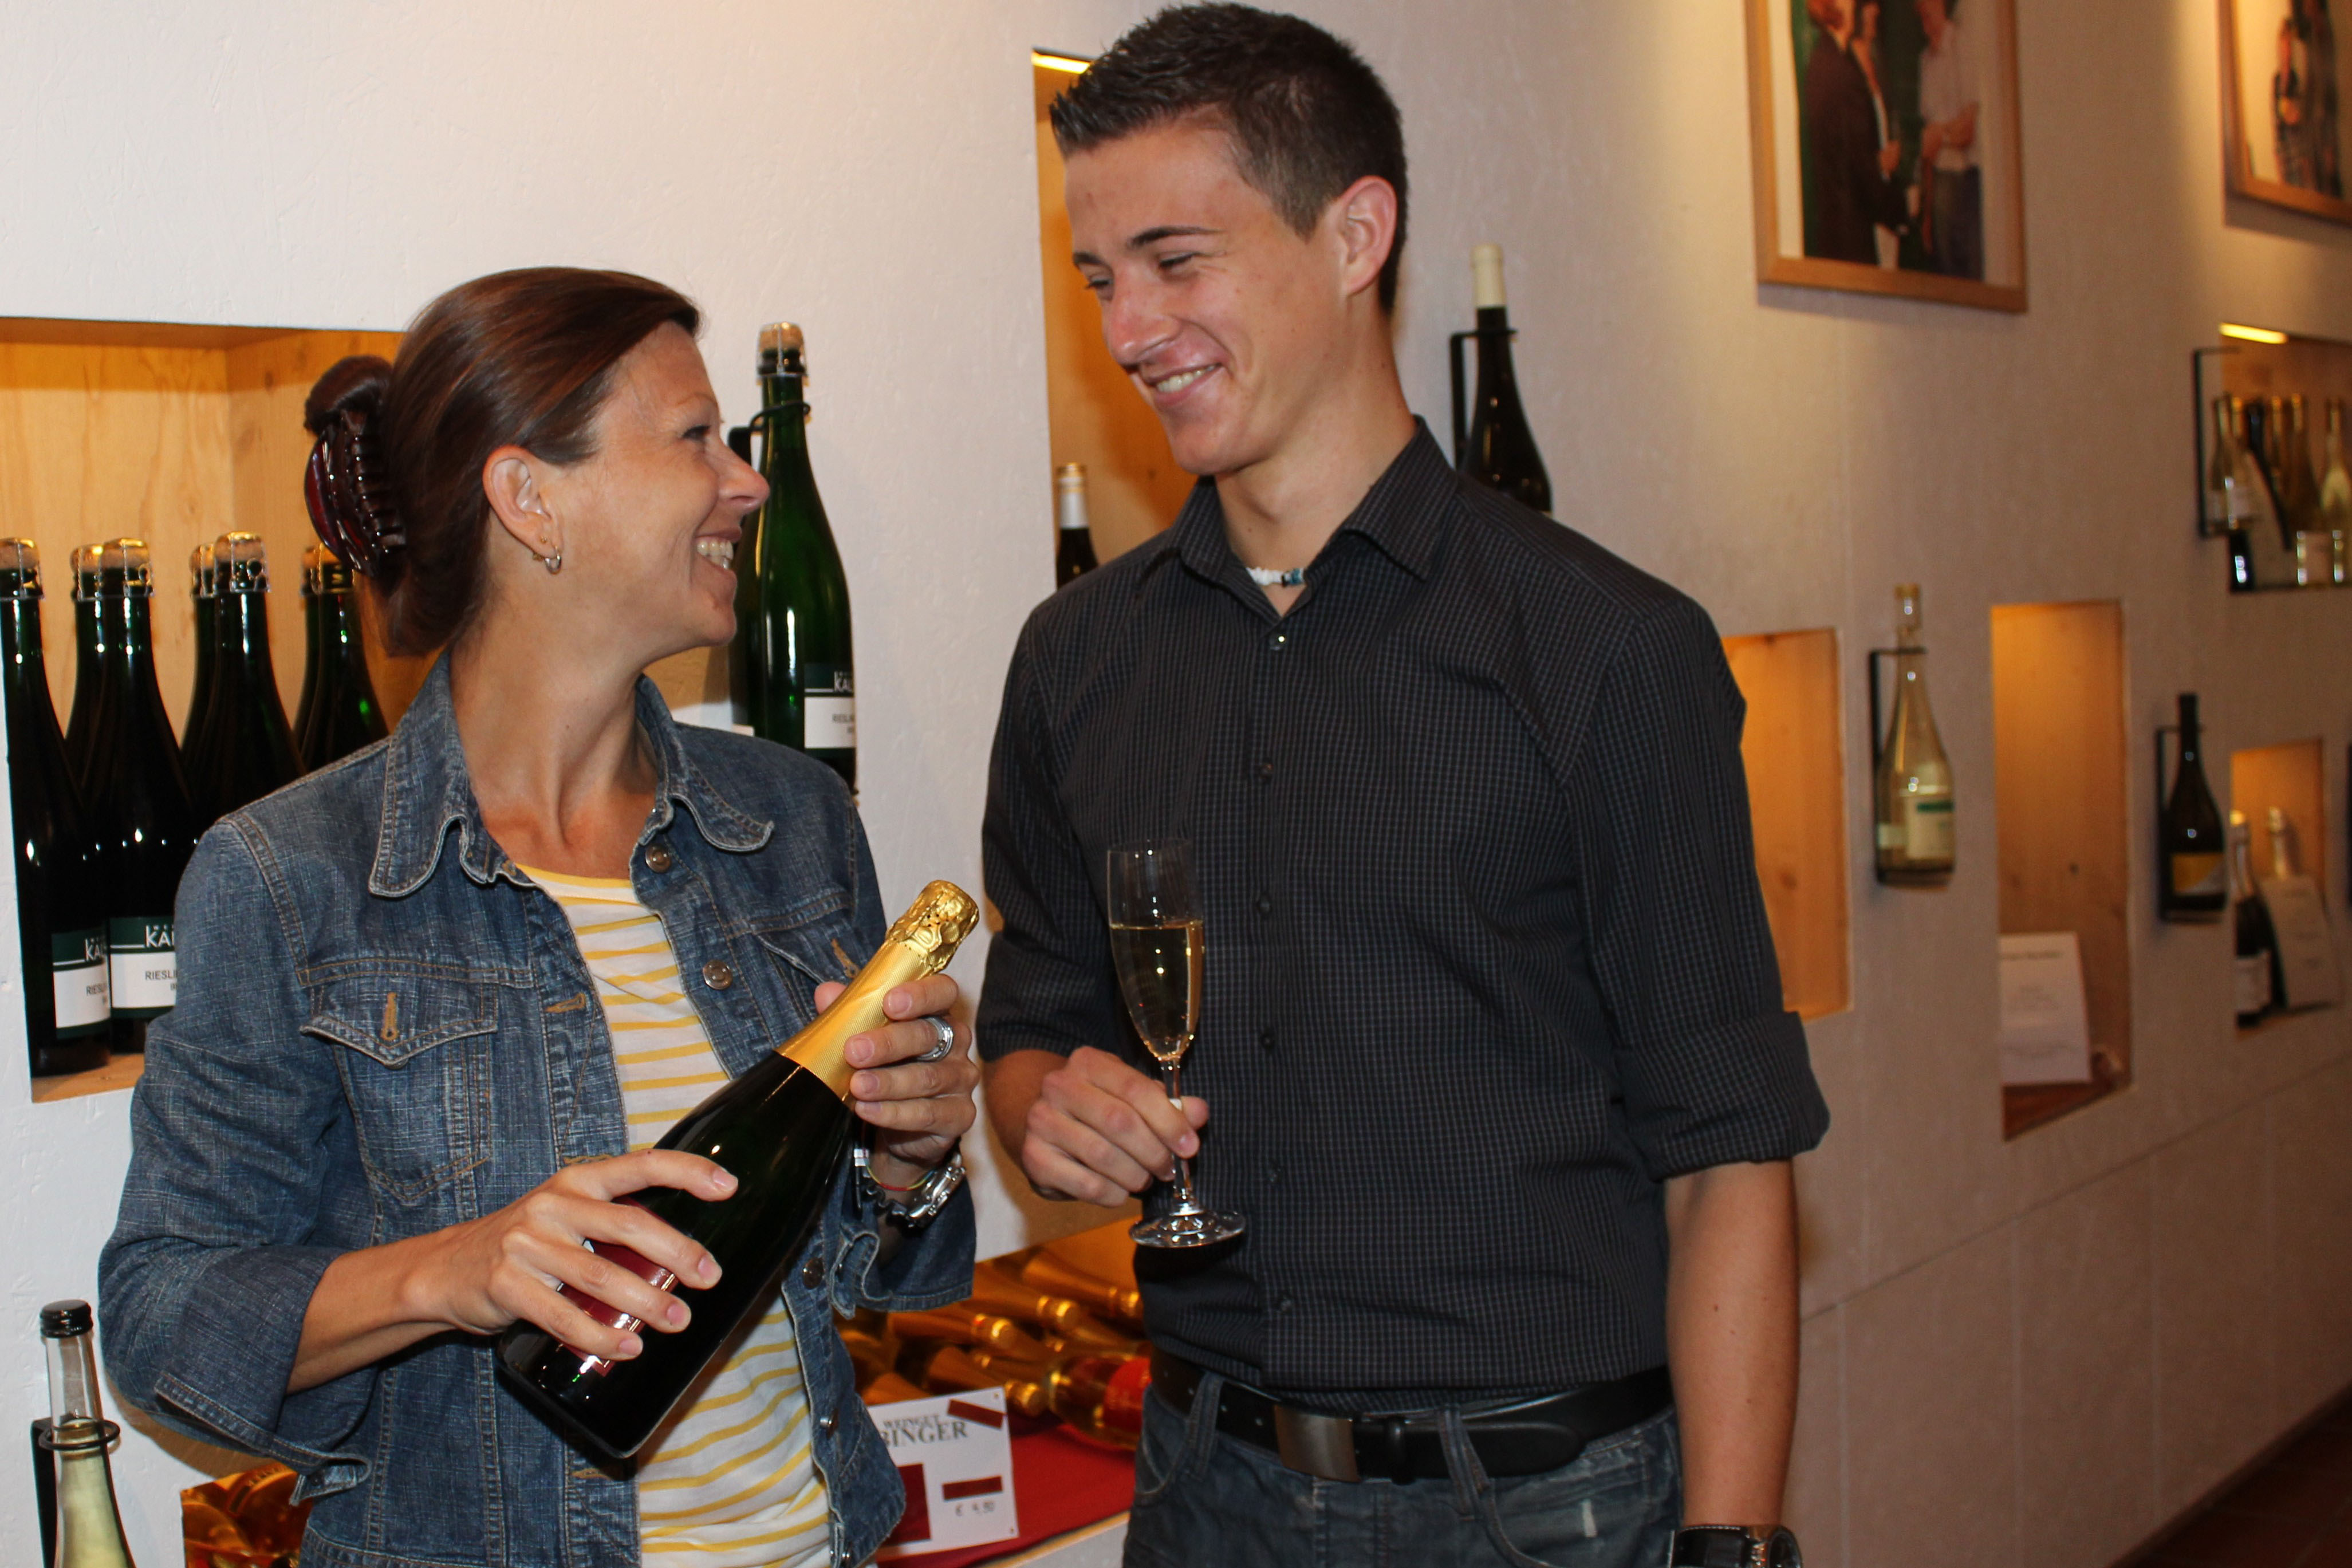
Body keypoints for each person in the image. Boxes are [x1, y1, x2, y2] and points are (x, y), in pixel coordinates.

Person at [976, 8, 1828, 1568]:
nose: (1128, 329)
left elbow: (1725, 1157)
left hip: (1544, 1508)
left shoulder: (1604, 649)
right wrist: (1049, 1115)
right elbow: (1030, 1031)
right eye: (1098, 278)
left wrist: (1730, 1548)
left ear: (1355, 233)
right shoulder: (1075, 661)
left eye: (1176, 261)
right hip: (1203, 1487)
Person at [100, 267, 980, 1568]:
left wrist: (909, 1158)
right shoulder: (293, 877)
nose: (747, 483)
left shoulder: (787, 821)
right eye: (695, 437)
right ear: (529, 498)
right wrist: (455, 1269)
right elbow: (161, 1314)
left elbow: (875, 1271)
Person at [1801, 0, 1910, 264]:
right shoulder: (1841, 74)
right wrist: (1903, 210)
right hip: (1853, 238)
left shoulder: (1823, 63)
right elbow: (1862, 173)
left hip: (1835, 234)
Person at [1917, 0, 1984, 279]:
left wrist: (1940, 136)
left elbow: (1968, 129)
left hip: (1964, 178)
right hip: (1939, 182)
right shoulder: (1925, 60)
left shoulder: (1962, 46)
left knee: (1968, 274)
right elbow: (1928, 145)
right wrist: (1927, 215)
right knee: (1944, 272)